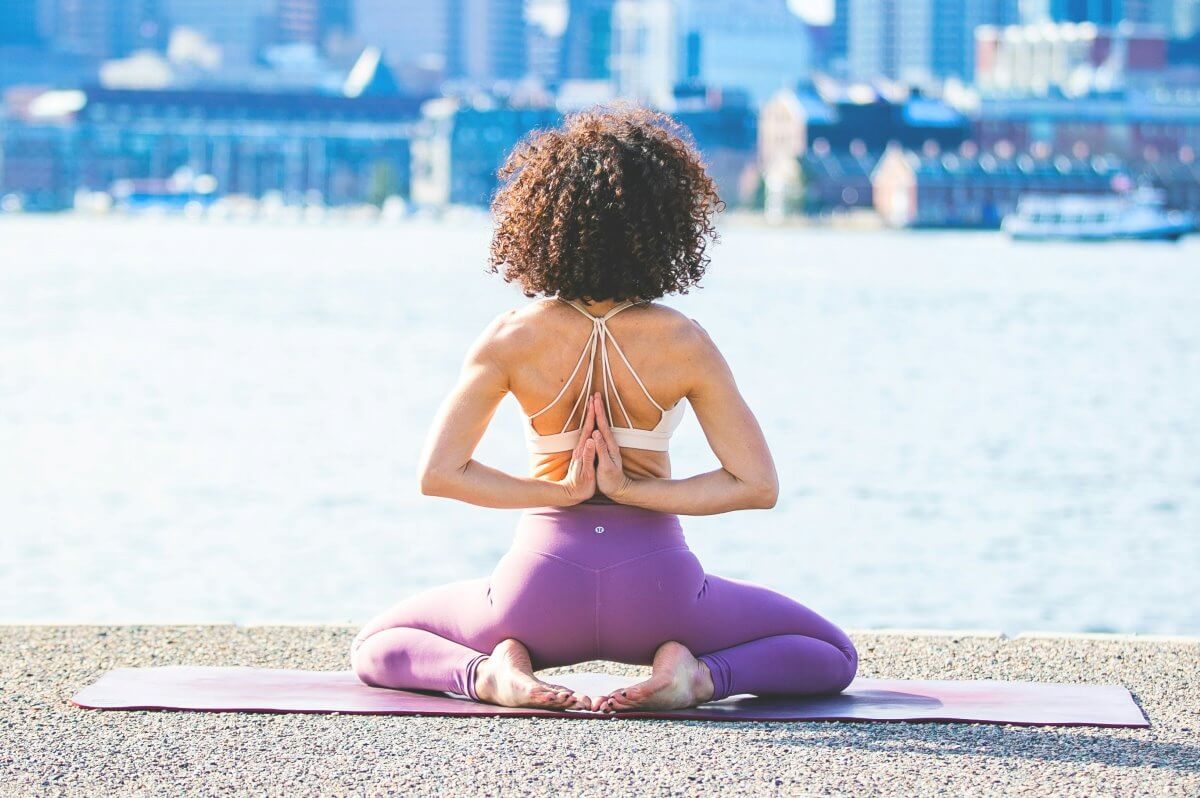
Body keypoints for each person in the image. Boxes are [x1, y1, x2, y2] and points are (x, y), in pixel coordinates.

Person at [351, 106, 857, 713]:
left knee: (376, 644)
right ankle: (697, 678)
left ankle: (491, 675)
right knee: (831, 652)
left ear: (540, 222)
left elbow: (440, 474)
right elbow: (756, 485)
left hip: (537, 588)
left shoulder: (511, 337)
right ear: (665, 226)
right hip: (662, 591)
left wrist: (562, 494)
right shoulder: (683, 341)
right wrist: (633, 492)